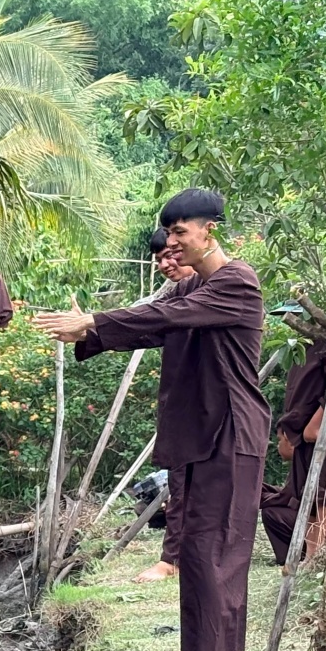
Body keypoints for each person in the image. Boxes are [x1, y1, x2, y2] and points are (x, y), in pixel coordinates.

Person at [37, 188, 268, 651]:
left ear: (211, 230)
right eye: (170, 234)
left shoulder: (236, 283)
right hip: (199, 433)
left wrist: (94, 321)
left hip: (230, 431)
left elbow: (163, 318)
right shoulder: (190, 291)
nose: (173, 243)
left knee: (214, 549)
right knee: (203, 546)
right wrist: (88, 334)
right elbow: (153, 323)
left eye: (181, 233)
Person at [135, 227, 201, 584]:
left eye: (171, 255)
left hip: (206, 410)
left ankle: (173, 559)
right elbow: (140, 316)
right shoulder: (178, 293)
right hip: (184, 406)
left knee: (191, 487)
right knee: (180, 484)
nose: (165, 264)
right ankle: (173, 557)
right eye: (159, 259)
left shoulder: (210, 291)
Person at [260, 337, 326, 565]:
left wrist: (316, 423)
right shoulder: (300, 346)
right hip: (306, 434)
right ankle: (312, 558)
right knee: (310, 498)